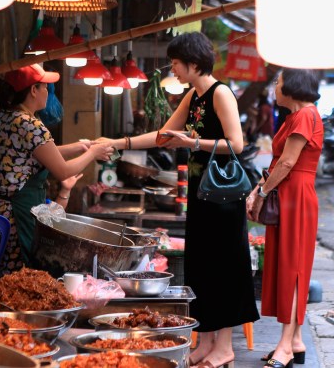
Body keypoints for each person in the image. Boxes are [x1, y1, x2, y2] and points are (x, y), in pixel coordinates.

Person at [102, 32, 259, 368]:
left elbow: (237, 143)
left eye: (175, 62)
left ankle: (225, 347)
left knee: (224, 268)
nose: (172, 68)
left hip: (223, 198)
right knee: (201, 267)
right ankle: (204, 342)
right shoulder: (194, 96)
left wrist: (191, 143)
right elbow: (162, 137)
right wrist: (120, 142)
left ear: (193, 63)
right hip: (202, 194)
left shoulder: (221, 93)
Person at [0, 64, 114, 276]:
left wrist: (79, 147)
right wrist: (93, 153)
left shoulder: (2, 118)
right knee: (16, 281)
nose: (48, 92)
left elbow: (34, 153)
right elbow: (63, 171)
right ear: (33, 90)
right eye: (45, 87)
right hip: (14, 218)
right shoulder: (31, 125)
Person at [246, 68, 324, 368]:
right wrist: (258, 190)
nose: (274, 89)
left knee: (293, 269)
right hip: (288, 195)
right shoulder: (295, 116)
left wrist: (262, 193)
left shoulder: (305, 115)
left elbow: (289, 161)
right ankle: (294, 341)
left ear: (291, 86)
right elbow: (280, 161)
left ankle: (285, 346)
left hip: (297, 196)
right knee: (290, 266)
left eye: (277, 84)